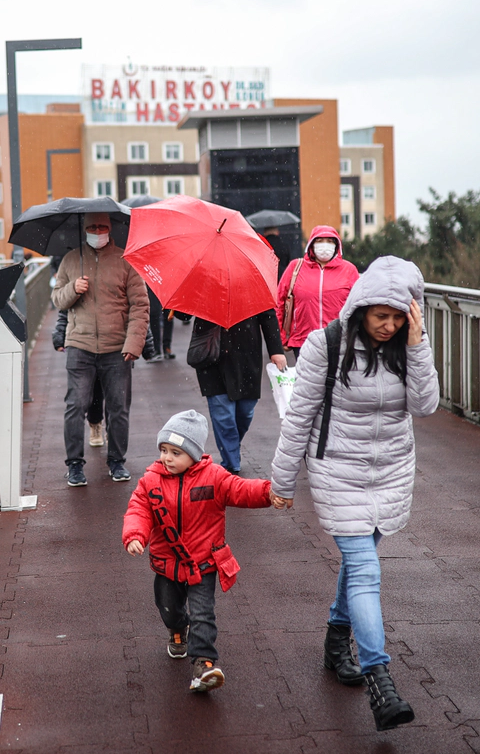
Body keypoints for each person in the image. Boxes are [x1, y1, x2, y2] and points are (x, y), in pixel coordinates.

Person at [269, 256, 439, 732]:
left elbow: (426, 406)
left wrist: (418, 343)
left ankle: (336, 637)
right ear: (361, 307)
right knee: (365, 568)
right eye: (379, 315)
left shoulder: (411, 344)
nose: (388, 325)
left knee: (357, 562)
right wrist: (281, 481)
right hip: (338, 470)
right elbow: (299, 414)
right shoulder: (327, 343)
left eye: (398, 316)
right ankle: (379, 678)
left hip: (390, 471)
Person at [122, 410, 274, 694]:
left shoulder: (214, 477)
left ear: (194, 454)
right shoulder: (151, 481)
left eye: (176, 453)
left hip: (203, 562)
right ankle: (177, 629)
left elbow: (241, 490)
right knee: (169, 609)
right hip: (166, 563)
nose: (167, 458)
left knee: (204, 613)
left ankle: (204, 663)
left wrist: (268, 492)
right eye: (164, 450)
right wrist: (135, 535)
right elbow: (138, 509)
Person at [51, 211, 149, 486]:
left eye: (102, 226)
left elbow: (140, 306)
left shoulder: (126, 262)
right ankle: (74, 465)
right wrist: (73, 288)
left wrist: (134, 344)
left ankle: (117, 461)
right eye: (92, 226)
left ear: (110, 229)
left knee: (118, 407)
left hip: (116, 347)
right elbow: (58, 299)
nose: (97, 231)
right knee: (75, 406)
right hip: (79, 345)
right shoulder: (71, 260)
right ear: (84, 229)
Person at [190, 309, 287, 475]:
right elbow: (182, 315)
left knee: (246, 411)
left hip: (247, 354)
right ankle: (231, 462)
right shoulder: (201, 283)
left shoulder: (253, 283)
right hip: (212, 354)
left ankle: (231, 446)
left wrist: (276, 350)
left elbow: (267, 314)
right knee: (224, 415)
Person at [275, 225, 359, 363]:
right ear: (311, 245)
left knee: (337, 383)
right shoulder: (296, 267)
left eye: (330, 241)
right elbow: (279, 303)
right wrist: (281, 337)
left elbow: (358, 306)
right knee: (309, 382)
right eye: (319, 241)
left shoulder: (349, 270)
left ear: (337, 245)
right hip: (303, 341)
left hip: (339, 342)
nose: (324, 245)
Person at [52, 309, 109, 447]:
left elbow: (134, 307)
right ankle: (95, 424)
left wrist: (145, 342)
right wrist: (59, 334)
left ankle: (114, 433)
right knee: (93, 390)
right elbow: (66, 308)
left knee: (116, 396)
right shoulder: (77, 287)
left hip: (113, 341)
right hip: (82, 343)